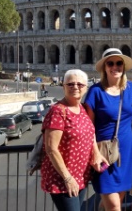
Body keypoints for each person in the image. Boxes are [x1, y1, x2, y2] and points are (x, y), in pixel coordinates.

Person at [84, 48, 132, 211]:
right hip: (104, 154)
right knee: (115, 206)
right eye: (110, 63)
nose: (115, 67)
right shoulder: (95, 91)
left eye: (119, 63)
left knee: (116, 200)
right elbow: (89, 127)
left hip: (126, 154)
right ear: (104, 67)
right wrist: (95, 152)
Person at [40, 69, 105, 211]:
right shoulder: (57, 111)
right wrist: (68, 178)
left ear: (86, 87)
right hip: (63, 179)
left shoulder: (82, 109)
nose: (75, 87)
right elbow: (51, 149)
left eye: (80, 85)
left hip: (81, 175)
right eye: (70, 84)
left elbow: (90, 133)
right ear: (63, 86)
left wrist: (96, 153)